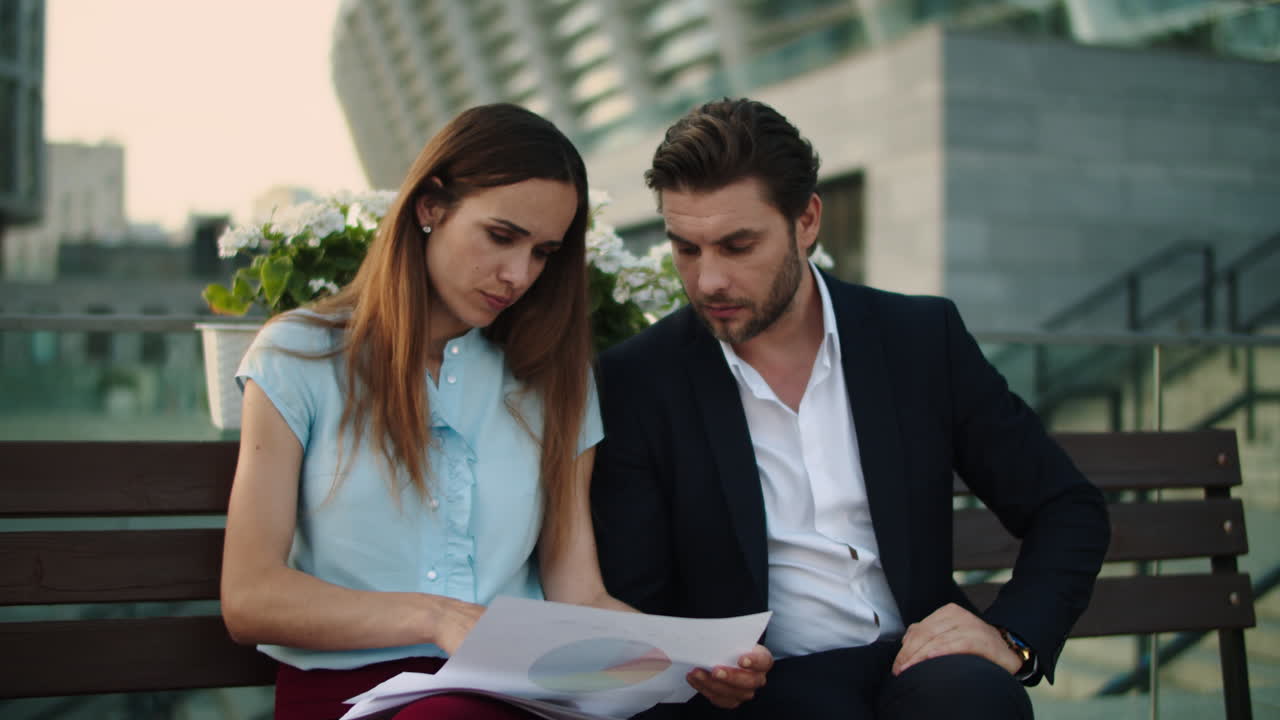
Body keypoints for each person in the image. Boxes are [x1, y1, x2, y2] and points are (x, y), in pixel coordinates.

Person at [220, 103, 768, 720]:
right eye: (502, 236)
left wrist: (691, 661)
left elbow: (578, 592)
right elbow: (250, 595)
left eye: (544, 253)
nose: (518, 274)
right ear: (431, 207)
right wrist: (433, 617)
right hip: (344, 700)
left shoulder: (552, 380)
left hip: (512, 695)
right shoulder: (300, 356)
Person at [590, 98, 1111, 719]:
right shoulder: (638, 381)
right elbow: (637, 603)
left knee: (974, 701)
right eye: (687, 249)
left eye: (737, 245)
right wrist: (700, 668)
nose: (708, 281)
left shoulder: (918, 338)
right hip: (766, 691)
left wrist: (1011, 637)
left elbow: (1066, 507)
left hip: (920, 667)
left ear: (807, 221)